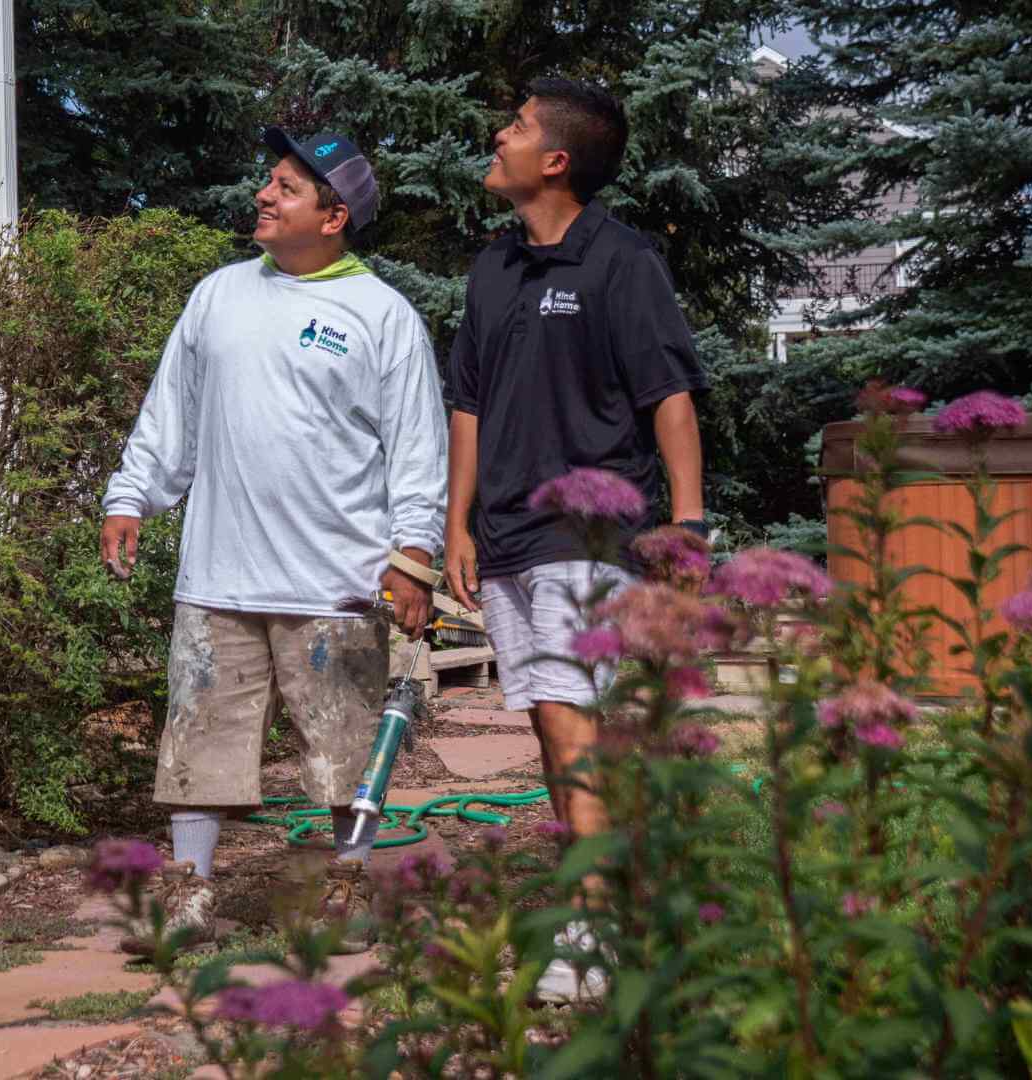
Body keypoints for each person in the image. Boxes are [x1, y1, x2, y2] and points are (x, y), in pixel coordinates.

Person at [101, 127, 448, 953]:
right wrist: (131, 496)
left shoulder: (382, 316)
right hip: (218, 575)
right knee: (196, 743)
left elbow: (417, 447)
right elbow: (171, 413)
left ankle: (345, 891)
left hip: (336, 581)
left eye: (287, 187)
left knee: (344, 750)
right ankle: (187, 897)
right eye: (269, 180)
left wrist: (413, 556)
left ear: (334, 217)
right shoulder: (218, 296)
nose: (264, 194)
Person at [442, 78, 708, 1000]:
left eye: (515, 126)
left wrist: (689, 521)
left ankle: (590, 932)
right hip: (506, 532)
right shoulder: (495, 265)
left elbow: (669, 397)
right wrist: (456, 525)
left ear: (555, 160)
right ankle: (606, 908)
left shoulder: (623, 261)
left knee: (571, 722)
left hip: (590, 532)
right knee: (555, 732)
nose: (498, 135)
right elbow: (468, 403)